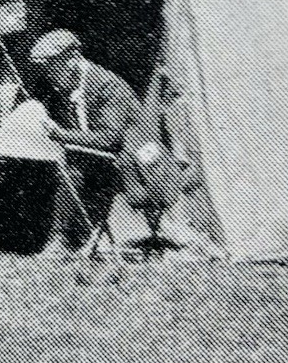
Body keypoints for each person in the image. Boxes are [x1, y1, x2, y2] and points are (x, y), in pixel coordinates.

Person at [30, 28, 193, 252]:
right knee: (63, 166)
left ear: (73, 59)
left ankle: (62, 240)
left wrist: (61, 135)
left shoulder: (107, 86)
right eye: (46, 69)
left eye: (52, 67)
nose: (48, 75)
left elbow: (111, 138)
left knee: (72, 171)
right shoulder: (71, 86)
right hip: (107, 160)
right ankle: (63, 239)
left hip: (136, 166)